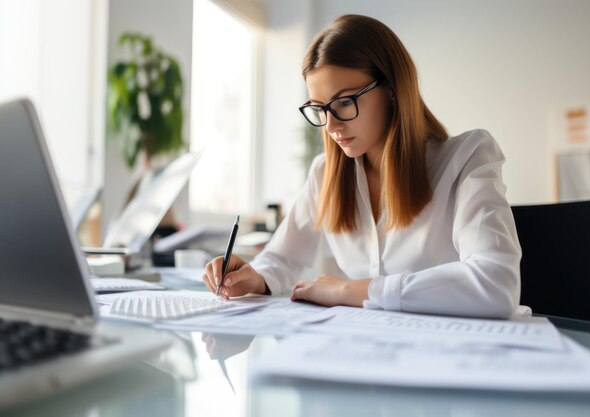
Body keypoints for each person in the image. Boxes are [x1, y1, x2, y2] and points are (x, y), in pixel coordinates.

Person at [203, 14, 522, 319]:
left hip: (455, 357)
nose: (330, 126)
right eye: (320, 109)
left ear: (393, 91)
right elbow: (282, 258)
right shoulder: (324, 173)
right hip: (362, 350)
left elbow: (496, 283)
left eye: (344, 102)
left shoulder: (467, 157)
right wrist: (253, 278)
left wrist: (350, 290)